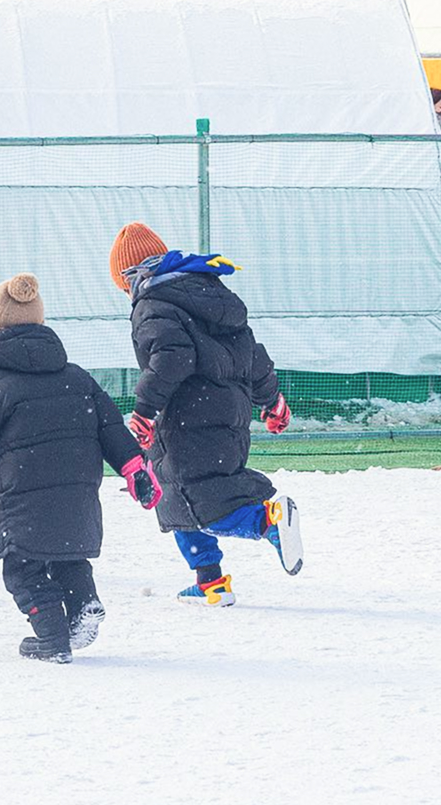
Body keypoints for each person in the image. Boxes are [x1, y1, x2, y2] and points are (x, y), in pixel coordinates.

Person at [0, 273, 160, 664]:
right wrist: (134, 468)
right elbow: (111, 427)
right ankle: (85, 603)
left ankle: (52, 637)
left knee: (21, 569)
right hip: (77, 496)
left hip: (21, 499)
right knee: (67, 558)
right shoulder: (76, 378)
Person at [108, 222, 301, 607]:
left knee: (193, 498)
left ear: (129, 277)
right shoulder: (210, 292)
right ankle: (210, 584)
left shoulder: (153, 304)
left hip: (187, 417)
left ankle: (267, 521)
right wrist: (272, 399)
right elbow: (251, 353)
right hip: (229, 414)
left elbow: (172, 358)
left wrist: (145, 411)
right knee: (179, 495)